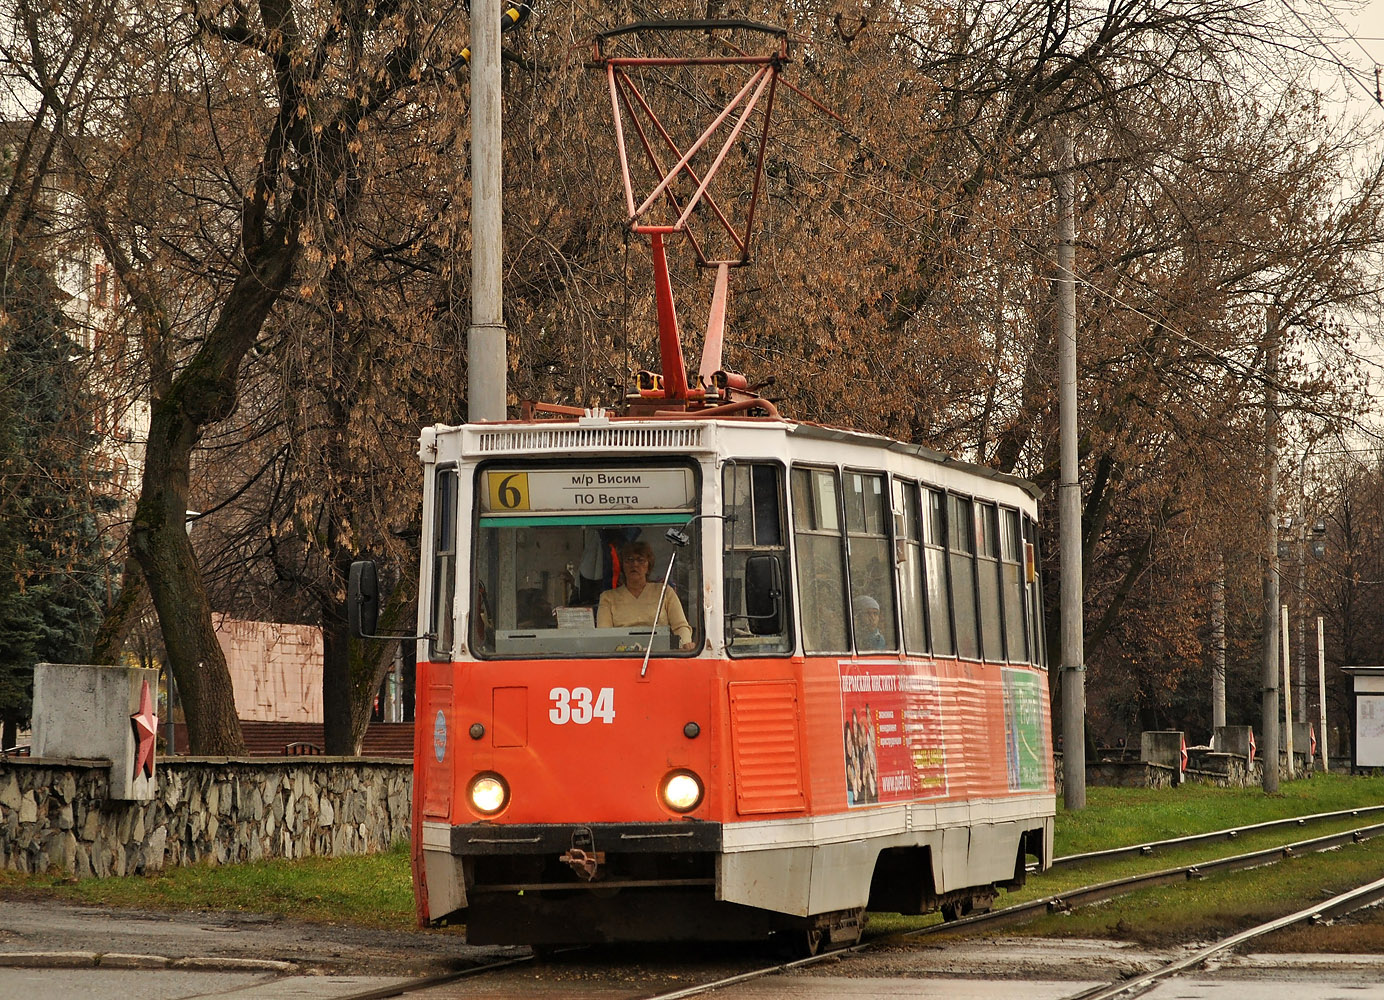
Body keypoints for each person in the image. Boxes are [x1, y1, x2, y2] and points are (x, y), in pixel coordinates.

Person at [596, 540, 695, 650]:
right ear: (622, 565)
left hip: (661, 655)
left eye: (640, 560)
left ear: (649, 566)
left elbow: (680, 626)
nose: (635, 564)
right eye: (629, 560)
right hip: (622, 656)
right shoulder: (608, 597)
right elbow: (603, 635)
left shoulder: (665, 592)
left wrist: (686, 644)